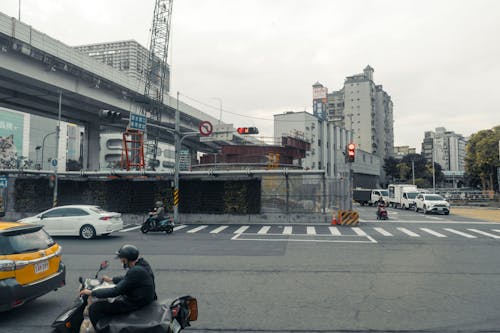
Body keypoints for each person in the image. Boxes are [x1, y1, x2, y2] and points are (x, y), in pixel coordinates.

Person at [81, 244, 157, 332]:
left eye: (121, 258)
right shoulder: (142, 264)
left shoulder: (136, 271)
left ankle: (101, 331)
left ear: (126, 259)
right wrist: (111, 279)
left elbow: (115, 291)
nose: (121, 261)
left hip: (136, 302)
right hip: (143, 297)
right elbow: (128, 278)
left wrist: (92, 292)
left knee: (94, 308)